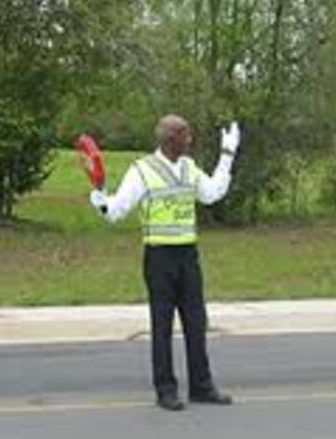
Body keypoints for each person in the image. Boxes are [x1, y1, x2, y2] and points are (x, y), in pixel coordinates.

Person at [88, 114, 240, 411]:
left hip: (188, 255)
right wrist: (100, 198)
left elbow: (212, 194)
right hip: (159, 257)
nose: (190, 140)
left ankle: (201, 386)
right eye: (186, 135)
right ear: (171, 140)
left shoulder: (188, 167)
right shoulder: (142, 171)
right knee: (162, 325)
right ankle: (165, 390)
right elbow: (117, 211)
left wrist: (227, 155)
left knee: (196, 323)